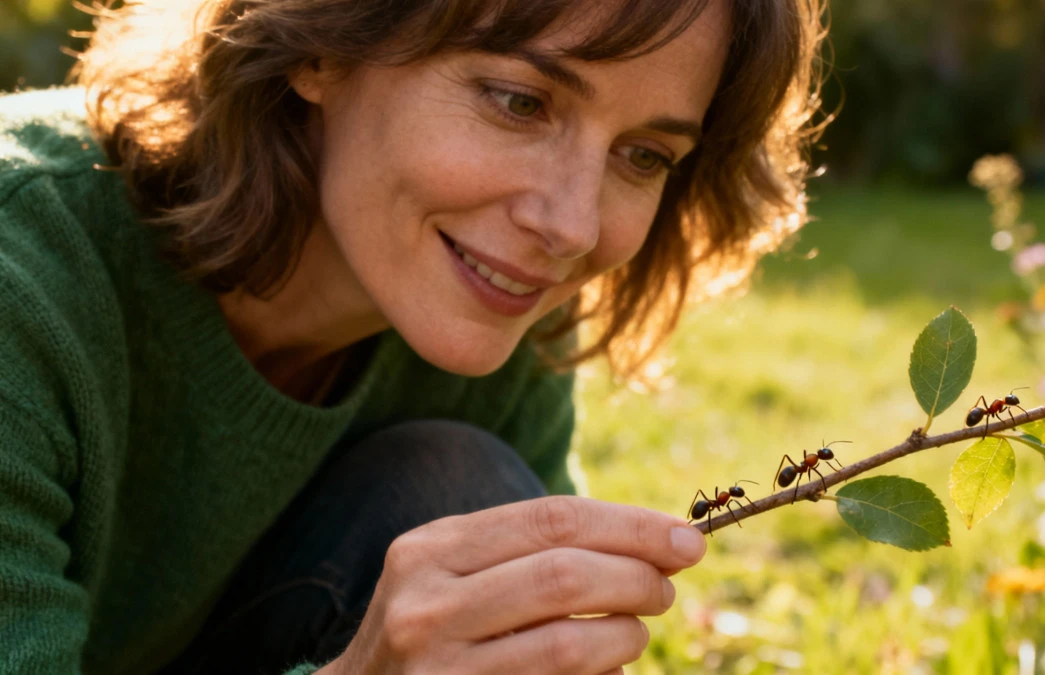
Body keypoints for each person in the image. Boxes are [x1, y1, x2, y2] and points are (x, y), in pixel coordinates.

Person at [0, 0, 824, 672]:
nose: (572, 226)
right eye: (519, 101)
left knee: (463, 501)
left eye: (643, 155)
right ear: (321, 45)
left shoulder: (496, 308)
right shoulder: (24, 278)